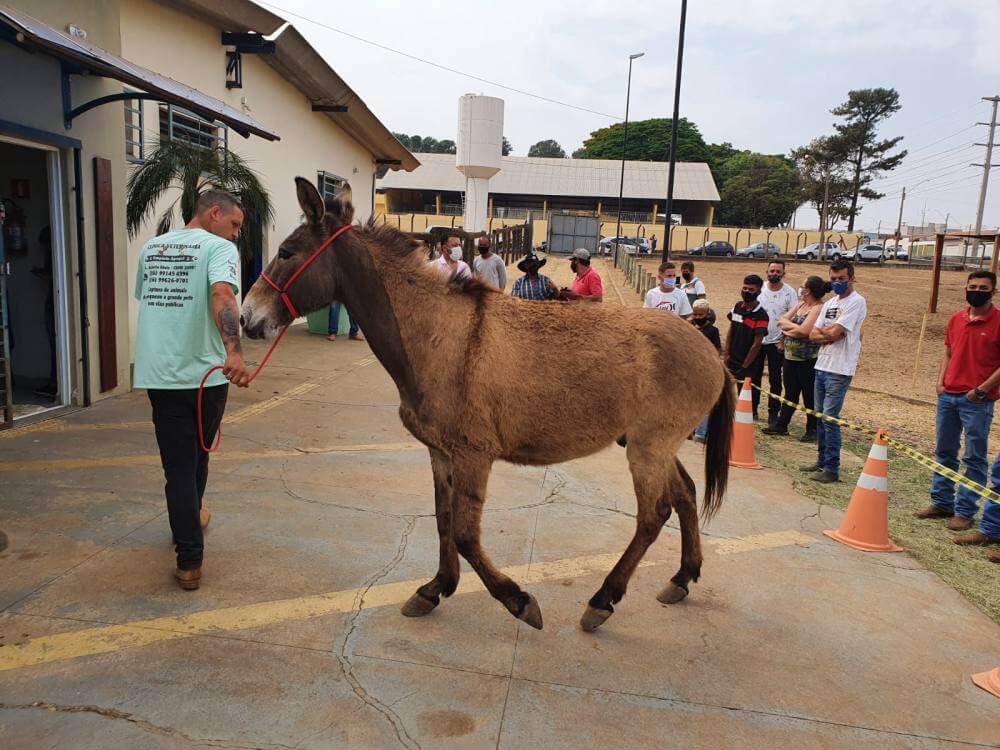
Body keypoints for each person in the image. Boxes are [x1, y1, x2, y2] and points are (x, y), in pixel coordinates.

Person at [134, 190, 250, 591]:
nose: (236, 234)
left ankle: (190, 522)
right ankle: (189, 560)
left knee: (182, 464)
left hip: (161, 375)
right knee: (195, 458)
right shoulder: (218, 248)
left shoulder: (152, 248)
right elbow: (223, 295)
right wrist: (234, 351)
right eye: (234, 224)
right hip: (207, 376)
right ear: (214, 213)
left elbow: (151, 301)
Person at [914, 271, 1000, 550]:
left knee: (974, 457)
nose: (976, 291)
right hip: (948, 396)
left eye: (983, 288)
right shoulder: (957, 319)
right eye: (972, 286)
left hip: (977, 400)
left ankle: (965, 511)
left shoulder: (998, 323)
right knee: (944, 451)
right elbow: (948, 352)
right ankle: (941, 502)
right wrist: (940, 382)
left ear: (993, 292)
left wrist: (982, 390)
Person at [802, 260, 867, 484]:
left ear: (851, 278)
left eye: (842, 279)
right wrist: (825, 334)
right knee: (820, 416)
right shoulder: (830, 303)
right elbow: (812, 333)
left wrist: (826, 333)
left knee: (830, 418)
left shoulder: (857, 302)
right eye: (834, 279)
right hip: (822, 365)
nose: (837, 283)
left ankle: (832, 467)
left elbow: (837, 333)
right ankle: (821, 460)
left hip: (840, 369)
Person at [765, 276, 828, 440]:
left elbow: (805, 331)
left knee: (809, 395)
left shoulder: (818, 308)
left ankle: (811, 429)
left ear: (808, 290)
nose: (800, 289)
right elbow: (782, 320)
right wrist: (794, 330)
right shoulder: (801, 304)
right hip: (790, 357)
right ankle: (781, 425)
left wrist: (790, 329)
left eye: (802, 287)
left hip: (808, 359)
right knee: (790, 393)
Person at [756, 260, 798, 428]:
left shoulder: (789, 293)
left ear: (783, 273)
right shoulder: (761, 289)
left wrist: (783, 340)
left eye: (778, 271)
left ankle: (773, 412)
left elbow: (793, 318)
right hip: (759, 340)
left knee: (775, 379)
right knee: (754, 376)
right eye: (772, 270)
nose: (774, 273)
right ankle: (752, 408)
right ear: (767, 271)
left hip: (777, 342)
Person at [723, 274, 769, 416]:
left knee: (744, 391)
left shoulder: (761, 315)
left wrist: (744, 366)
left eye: (751, 289)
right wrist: (727, 352)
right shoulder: (738, 307)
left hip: (747, 362)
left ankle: (747, 413)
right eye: (745, 288)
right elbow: (731, 329)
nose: (747, 292)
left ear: (759, 292)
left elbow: (757, 344)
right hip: (732, 357)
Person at [692, 299, 722, 442]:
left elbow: (716, 350)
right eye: (696, 315)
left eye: (701, 315)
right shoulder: (689, 326)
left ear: (707, 314)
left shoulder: (712, 330)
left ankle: (701, 432)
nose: (698, 318)